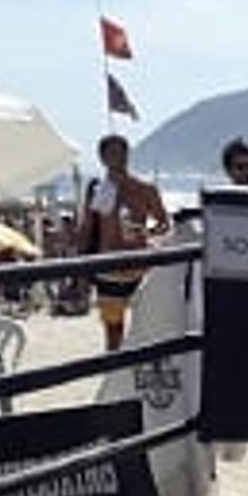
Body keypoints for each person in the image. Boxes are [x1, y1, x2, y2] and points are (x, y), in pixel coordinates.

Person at [78, 134, 168, 351]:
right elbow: (87, 230)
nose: (119, 158)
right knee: (113, 330)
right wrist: (80, 270)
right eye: (113, 153)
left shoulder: (144, 189)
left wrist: (147, 232)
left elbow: (164, 223)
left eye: (123, 152)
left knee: (146, 327)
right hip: (108, 267)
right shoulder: (98, 190)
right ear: (102, 158)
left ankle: (136, 376)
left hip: (140, 267)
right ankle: (114, 373)